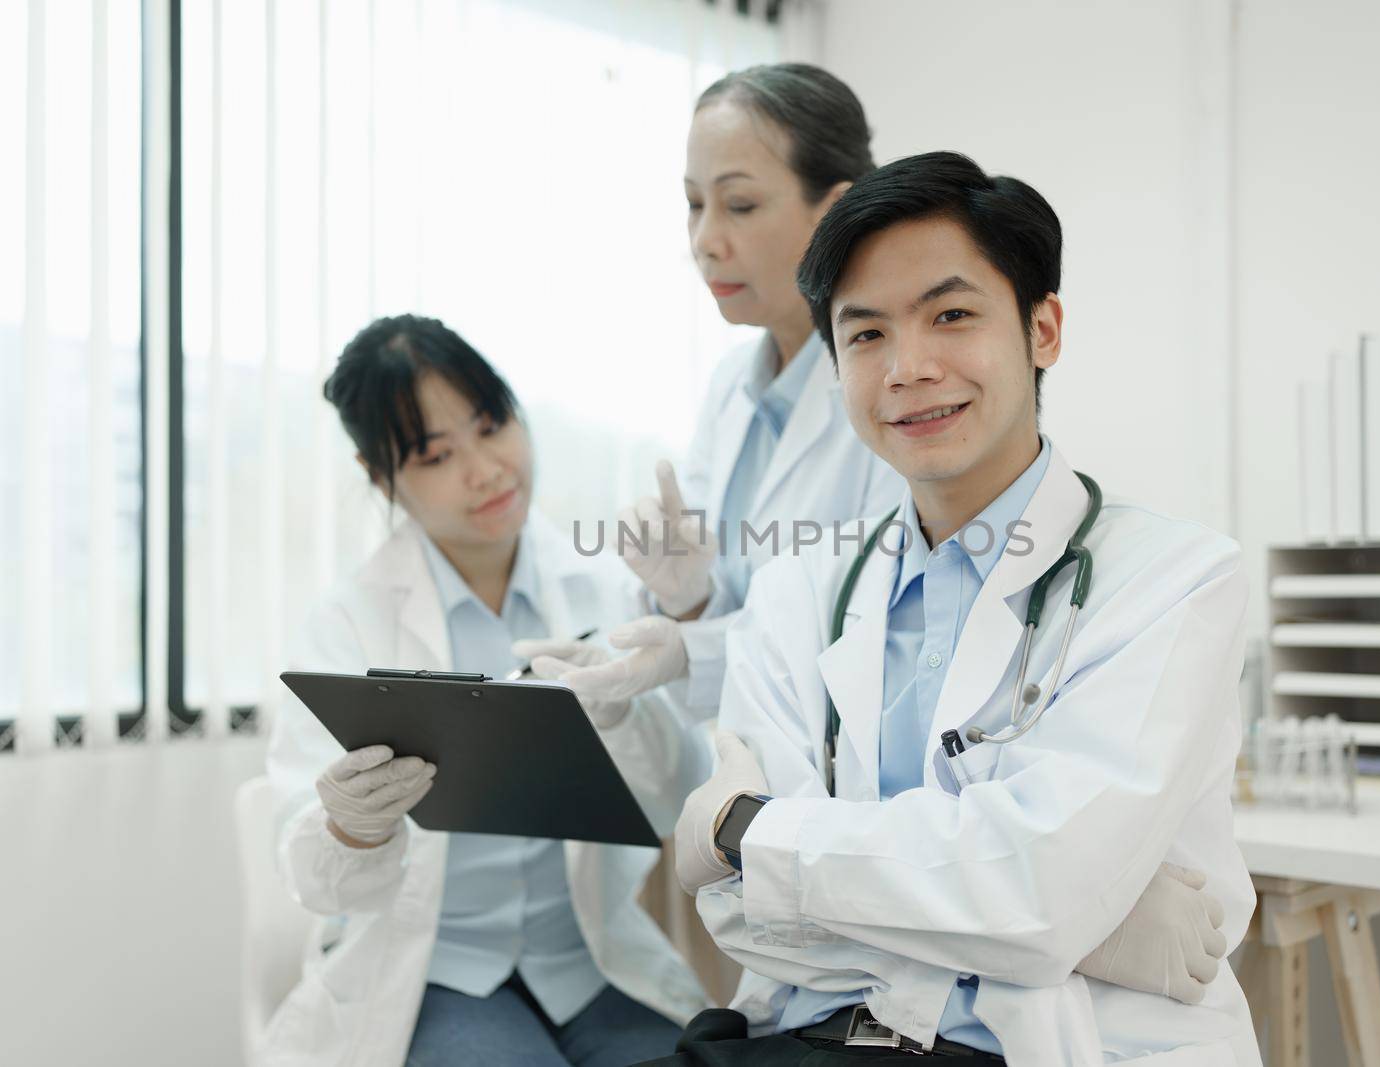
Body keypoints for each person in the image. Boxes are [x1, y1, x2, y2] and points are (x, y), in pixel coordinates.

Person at [655, 153, 1260, 1065]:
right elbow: (739, 914)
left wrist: (746, 829)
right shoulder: (798, 594)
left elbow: (1042, 889)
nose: (908, 367)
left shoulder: (1175, 581)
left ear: (1042, 329)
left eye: (951, 315)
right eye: (865, 335)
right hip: (815, 1036)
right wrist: (1082, 925)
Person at [263, 315, 708, 1067]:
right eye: (437, 454)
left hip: (590, 961)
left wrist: (632, 702)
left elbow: (673, 800)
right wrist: (352, 826)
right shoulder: (349, 622)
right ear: (384, 479)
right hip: (436, 972)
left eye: (492, 425)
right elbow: (315, 877)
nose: (486, 469)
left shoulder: (601, 586)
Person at [529, 63, 899, 719]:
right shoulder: (731, 386)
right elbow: (717, 607)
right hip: (732, 770)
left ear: (835, 208)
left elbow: (867, 629)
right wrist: (682, 602)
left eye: (741, 205)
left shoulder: (896, 388)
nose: (705, 241)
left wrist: (689, 649)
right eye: (695, 204)